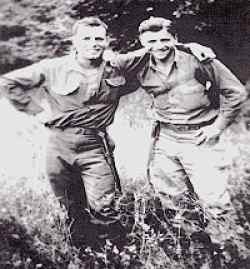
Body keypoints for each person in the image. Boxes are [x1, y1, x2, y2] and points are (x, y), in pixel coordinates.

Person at [0, 16, 216, 250]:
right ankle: (81, 253)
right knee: (70, 206)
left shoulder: (118, 65)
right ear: (74, 41)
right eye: (87, 38)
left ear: (106, 41)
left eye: (98, 38)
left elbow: (157, 47)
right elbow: (9, 82)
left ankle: (115, 254)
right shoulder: (52, 68)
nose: (93, 43)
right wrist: (37, 112)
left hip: (95, 145)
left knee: (105, 206)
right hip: (58, 145)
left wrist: (190, 47)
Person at [130, 17, 247, 217]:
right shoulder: (139, 65)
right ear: (142, 42)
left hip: (200, 138)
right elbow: (110, 64)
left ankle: (225, 245)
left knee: (215, 202)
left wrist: (217, 127)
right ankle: (192, 245)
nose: (159, 46)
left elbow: (236, 92)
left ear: (175, 38)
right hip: (164, 139)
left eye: (165, 40)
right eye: (152, 41)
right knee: (174, 201)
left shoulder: (198, 60)